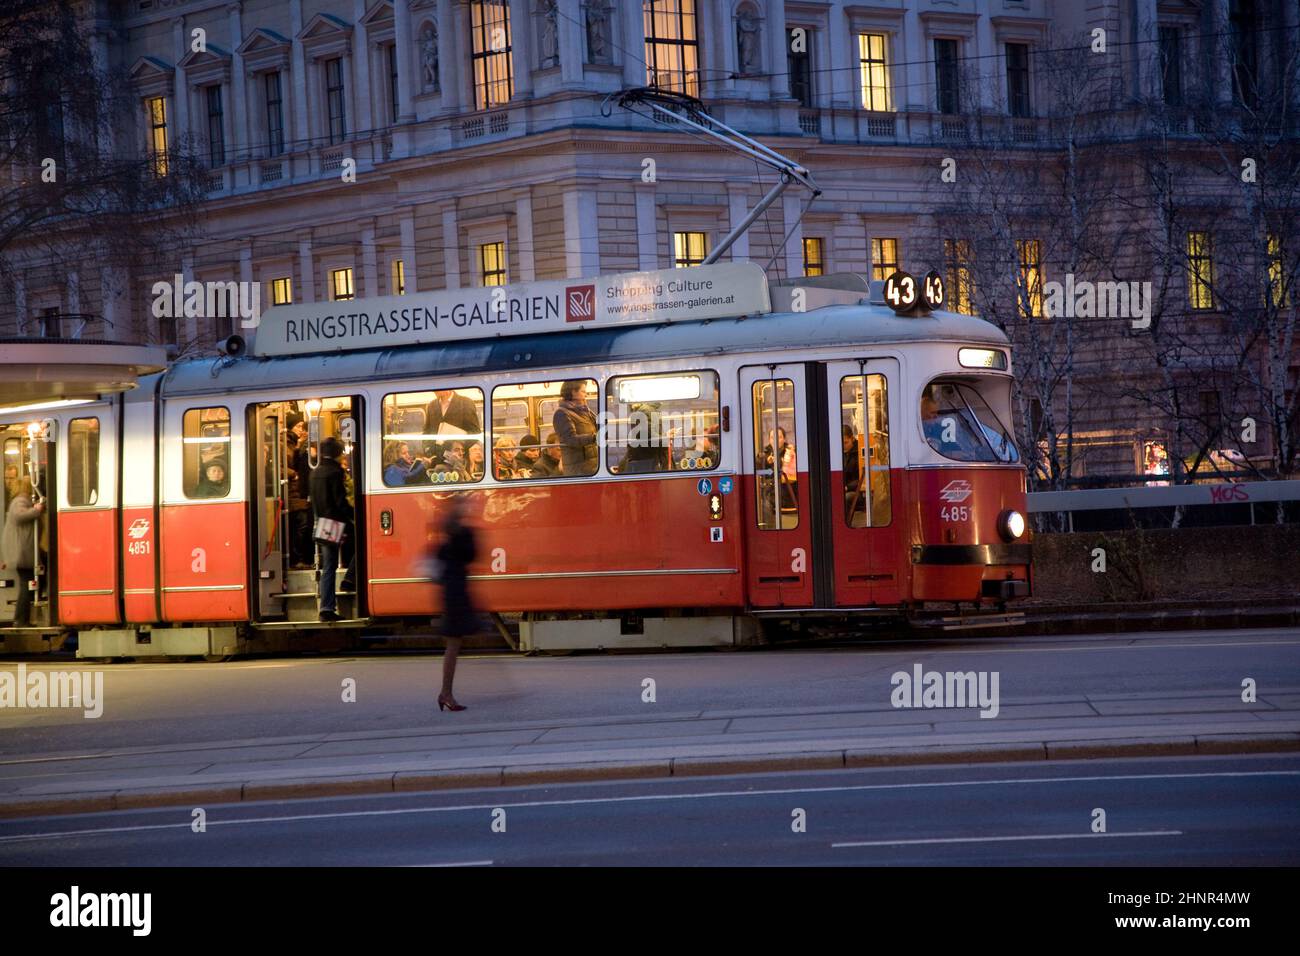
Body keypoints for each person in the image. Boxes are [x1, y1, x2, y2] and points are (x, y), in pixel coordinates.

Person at [433, 494, 478, 712]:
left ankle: (446, 692)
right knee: (454, 645)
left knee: (454, 644)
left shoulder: (446, 538)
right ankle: (446, 692)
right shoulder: (464, 534)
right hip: (457, 594)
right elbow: (472, 556)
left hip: (450, 594)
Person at [310, 437, 353, 622]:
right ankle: (350, 579)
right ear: (337, 453)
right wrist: (352, 516)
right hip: (335, 522)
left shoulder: (315, 471)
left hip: (322, 522)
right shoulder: (335, 472)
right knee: (364, 545)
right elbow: (339, 501)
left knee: (329, 566)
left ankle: (326, 608)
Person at [1, 479, 44, 628]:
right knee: (27, 585)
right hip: (23, 553)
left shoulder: (17, 501)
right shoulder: (20, 501)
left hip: (23, 552)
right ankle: (21, 620)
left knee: (27, 584)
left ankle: (22, 619)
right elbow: (20, 516)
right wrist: (37, 510)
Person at [553, 379, 598, 476]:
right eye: (583, 392)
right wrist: (594, 438)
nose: (585, 395)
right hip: (578, 470)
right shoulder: (561, 413)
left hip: (591, 467)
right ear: (573, 392)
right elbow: (570, 439)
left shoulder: (585, 412)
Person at [424, 389, 481, 460]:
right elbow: (426, 432)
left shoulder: (465, 403)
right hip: (437, 459)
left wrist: (459, 449)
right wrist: (428, 450)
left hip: (459, 459)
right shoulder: (431, 406)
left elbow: (475, 432)